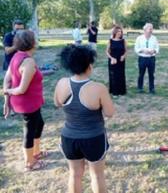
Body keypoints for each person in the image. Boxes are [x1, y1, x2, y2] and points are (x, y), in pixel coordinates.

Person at [54, 45, 114, 193]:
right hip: (93, 138)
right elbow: (110, 113)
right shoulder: (98, 88)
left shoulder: (61, 83)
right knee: (97, 176)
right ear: (89, 65)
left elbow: (57, 103)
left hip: (69, 137)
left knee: (74, 175)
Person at [3, 30, 47, 171]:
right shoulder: (28, 61)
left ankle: (36, 152)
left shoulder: (16, 56)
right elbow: (21, 89)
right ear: (32, 43)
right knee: (29, 131)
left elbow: (7, 79)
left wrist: (6, 101)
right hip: (27, 103)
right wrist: (7, 93)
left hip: (31, 101)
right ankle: (30, 162)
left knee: (39, 124)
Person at [134, 23, 159, 94]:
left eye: (152, 29)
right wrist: (143, 50)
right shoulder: (139, 38)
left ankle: (152, 89)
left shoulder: (154, 38)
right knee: (141, 74)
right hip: (142, 58)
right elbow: (136, 49)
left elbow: (157, 48)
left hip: (151, 59)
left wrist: (154, 51)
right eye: (150, 29)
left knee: (151, 74)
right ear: (145, 29)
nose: (151, 30)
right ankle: (140, 88)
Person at [106, 25, 127, 96]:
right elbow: (107, 52)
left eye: (120, 32)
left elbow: (126, 51)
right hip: (113, 60)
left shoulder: (123, 41)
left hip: (121, 60)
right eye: (118, 31)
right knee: (113, 76)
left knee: (121, 75)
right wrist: (111, 58)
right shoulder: (110, 41)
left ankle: (121, 91)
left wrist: (123, 56)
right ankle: (114, 91)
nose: (119, 33)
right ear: (114, 32)